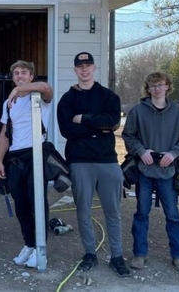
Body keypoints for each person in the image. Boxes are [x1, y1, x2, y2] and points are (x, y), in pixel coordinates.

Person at [56, 52, 130, 277]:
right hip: (80, 162)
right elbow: (67, 130)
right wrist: (98, 126)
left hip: (107, 161)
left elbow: (113, 123)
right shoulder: (67, 100)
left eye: (88, 66)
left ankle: (116, 256)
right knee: (83, 210)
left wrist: (84, 119)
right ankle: (90, 253)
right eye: (80, 67)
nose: (84, 70)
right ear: (75, 70)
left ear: (94, 68)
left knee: (113, 211)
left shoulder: (108, 96)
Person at [121, 72, 179, 273]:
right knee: (141, 213)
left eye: (160, 85)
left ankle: (178, 256)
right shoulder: (138, 111)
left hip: (168, 171)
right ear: (148, 88)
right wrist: (141, 151)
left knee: (172, 215)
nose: (157, 89)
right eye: (153, 86)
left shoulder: (178, 112)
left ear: (167, 87)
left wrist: (173, 154)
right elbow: (128, 135)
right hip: (145, 170)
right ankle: (139, 253)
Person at [0, 60, 53, 268]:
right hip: (15, 158)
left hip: (36, 154)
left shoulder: (38, 96)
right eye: (16, 73)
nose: (20, 76)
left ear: (31, 76)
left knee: (38, 201)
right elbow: (5, 133)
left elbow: (47, 88)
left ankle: (41, 248)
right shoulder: (8, 103)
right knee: (21, 205)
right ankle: (29, 244)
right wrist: (0, 160)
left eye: (24, 73)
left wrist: (20, 90)